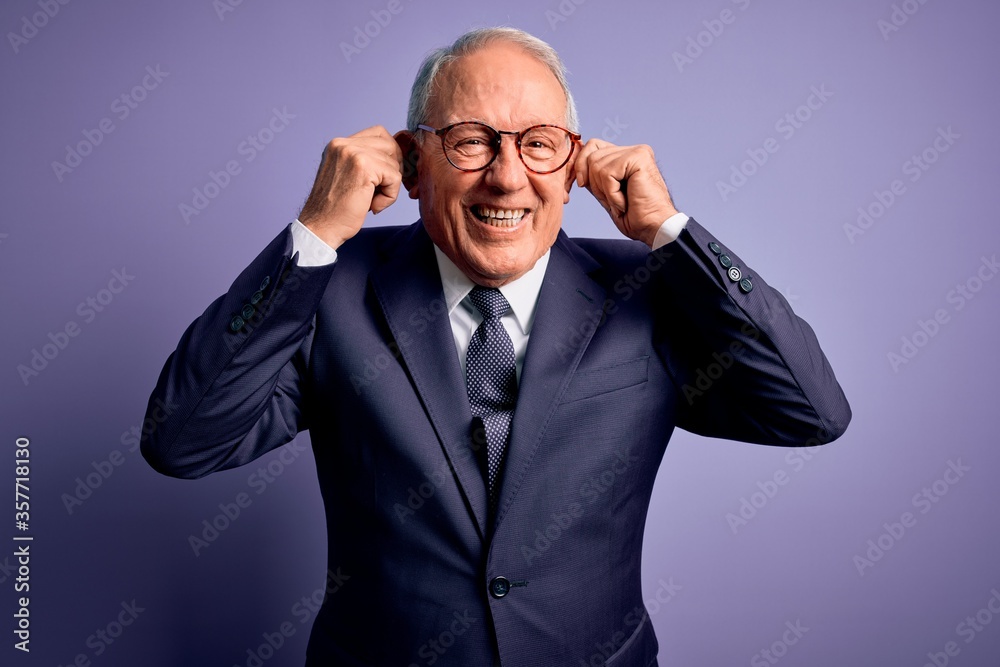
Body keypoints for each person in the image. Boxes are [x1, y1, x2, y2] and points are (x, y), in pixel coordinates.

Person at [142, 27, 851, 667]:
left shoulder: (651, 290)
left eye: (539, 143)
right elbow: (183, 439)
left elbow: (810, 411)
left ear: (574, 168)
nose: (507, 177)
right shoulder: (330, 289)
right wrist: (315, 233)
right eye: (472, 141)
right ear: (414, 162)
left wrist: (669, 230)